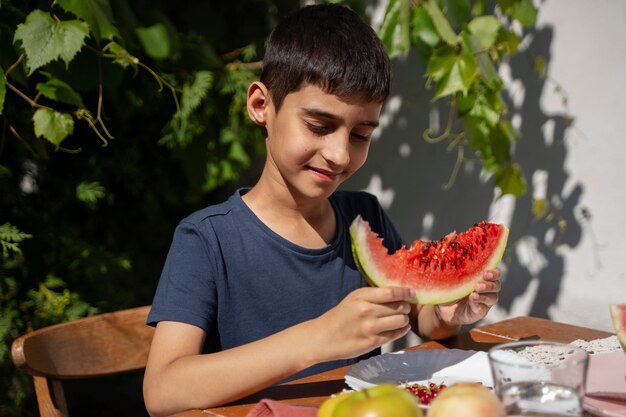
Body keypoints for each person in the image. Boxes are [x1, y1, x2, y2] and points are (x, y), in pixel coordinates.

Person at [142, 4, 502, 416]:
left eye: (361, 135)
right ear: (261, 105)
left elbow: (423, 319)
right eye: (319, 126)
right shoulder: (206, 239)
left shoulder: (363, 216)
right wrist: (317, 340)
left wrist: (449, 309)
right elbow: (162, 390)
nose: (338, 153)